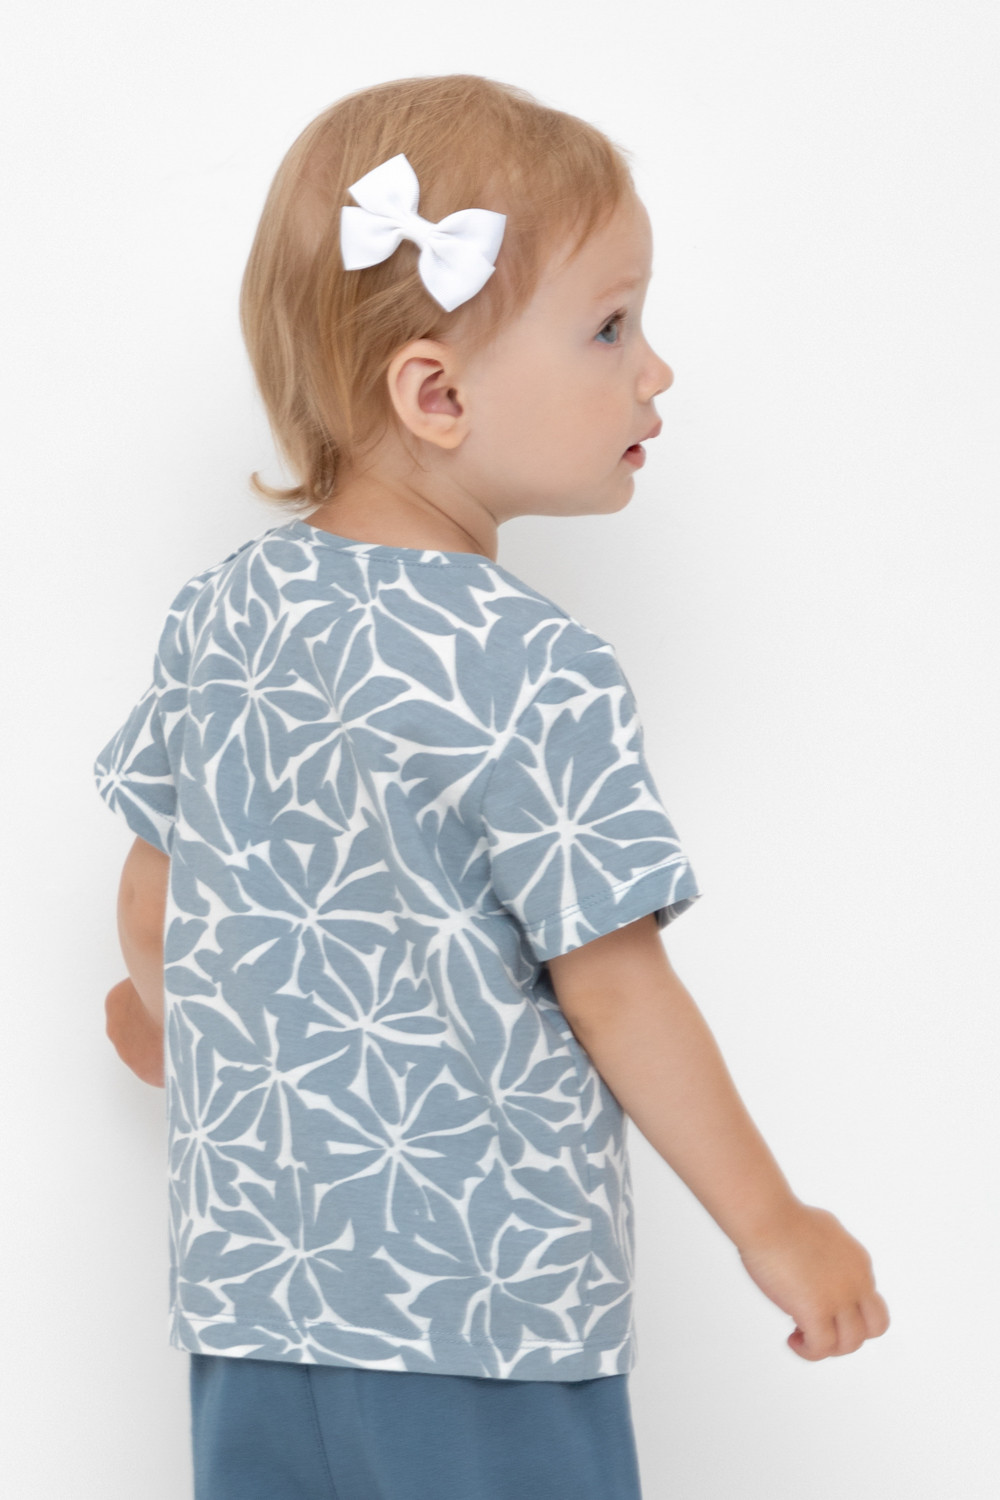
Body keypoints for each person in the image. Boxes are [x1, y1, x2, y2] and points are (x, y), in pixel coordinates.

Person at [94, 74, 890, 1500]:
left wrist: (166, 1017)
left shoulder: (224, 612)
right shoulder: (533, 665)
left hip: (254, 1299)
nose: (655, 371)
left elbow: (157, 898)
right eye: (611, 326)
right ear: (439, 393)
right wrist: (775, 1223)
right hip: (482, 1314)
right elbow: (618, 988)